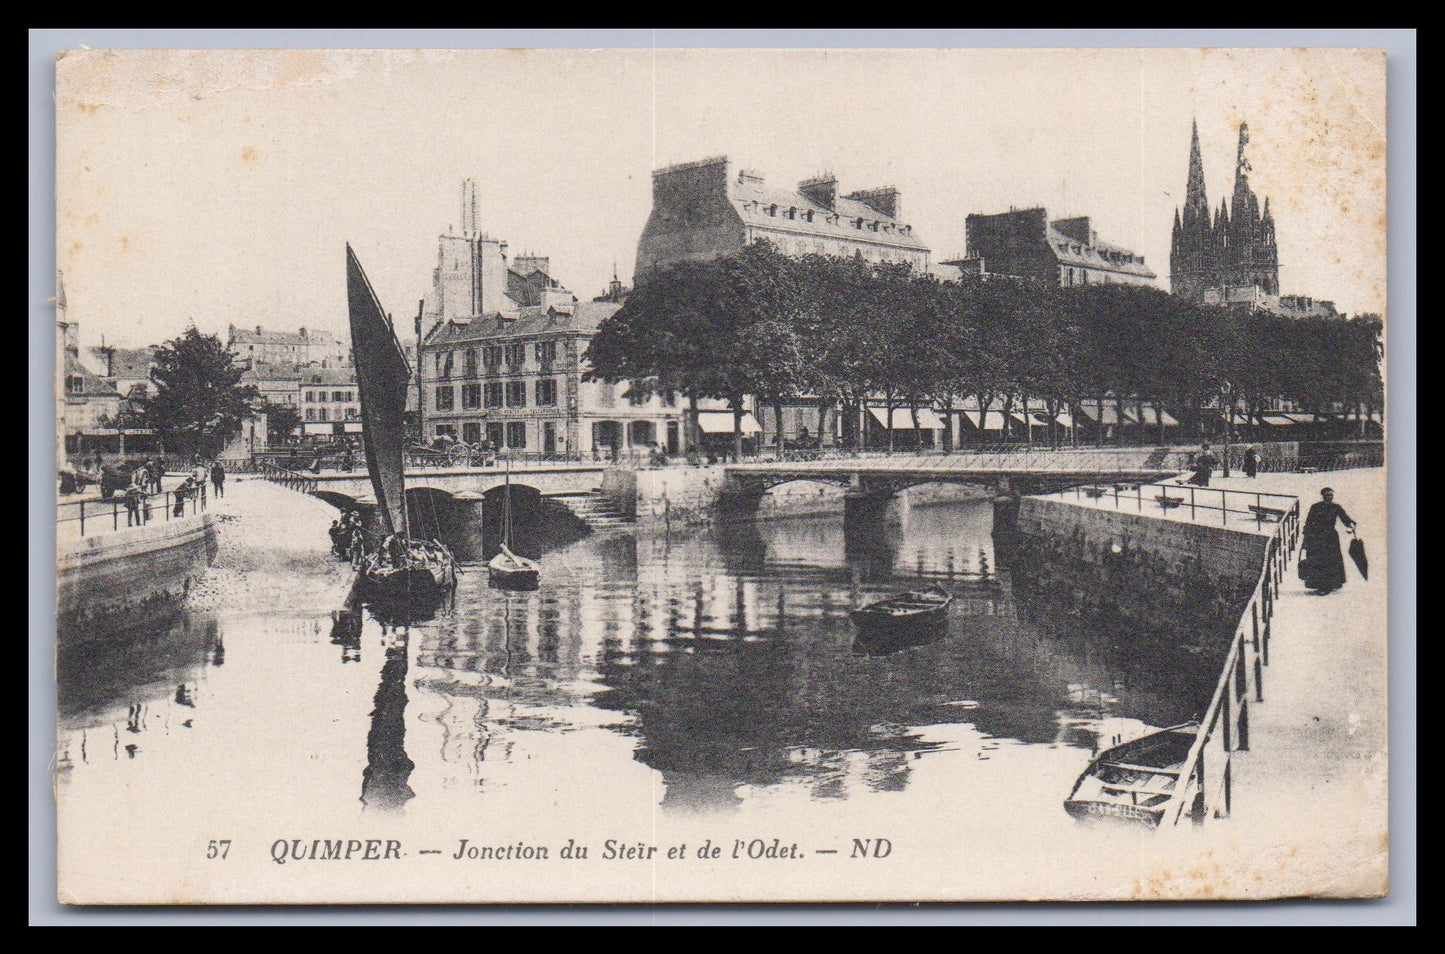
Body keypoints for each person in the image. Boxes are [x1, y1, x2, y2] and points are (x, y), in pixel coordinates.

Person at [1300, 487, 1356, 594]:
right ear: (1323, 496)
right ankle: (1320, 585)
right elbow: (1308, 522)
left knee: (1331, 561)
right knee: (1318, 561)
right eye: (1327, 495)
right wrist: (1306, 537)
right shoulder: (1315, 507)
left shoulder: (1336, 507)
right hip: (1316, 537)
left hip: (1331, 538)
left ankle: (1328, 585)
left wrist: (1351, 524)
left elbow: (1345, 519)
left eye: (1331, 495)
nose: (1329, 497)